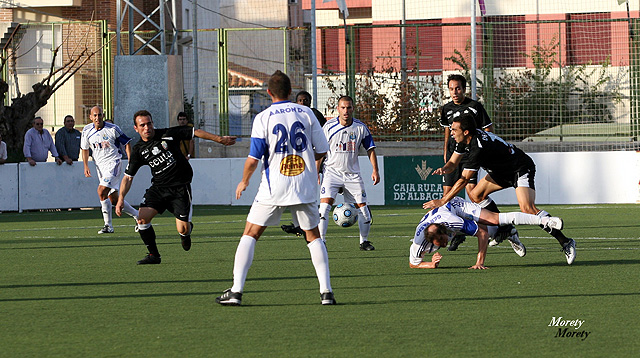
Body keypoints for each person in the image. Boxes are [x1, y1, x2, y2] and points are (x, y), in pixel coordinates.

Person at [215, 70, 334, 306]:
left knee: (251, 233)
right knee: (313, 236)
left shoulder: (263, 117)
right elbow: (322, 149)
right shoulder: (307, 112)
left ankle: (236, 291)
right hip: (304, 184)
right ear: (291, 92)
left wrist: (244, 180)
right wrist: (309, 163)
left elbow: (253, 158)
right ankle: (326, 292)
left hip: (274, 186)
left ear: (268, 92)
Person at [424, 114, 576, 265]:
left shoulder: (477, 147)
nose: (451, 132)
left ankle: (566, 242)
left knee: (527, 208)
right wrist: (445, 168)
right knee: (476, 195)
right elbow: (452, 162)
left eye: (454, 129)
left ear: (465, 132)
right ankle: (506, 229)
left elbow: (463, 179)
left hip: (519, 168)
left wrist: (443, 200)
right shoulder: (464, 140)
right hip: (500, 172)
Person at [115, 110, 236, 265]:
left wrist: (219, 139)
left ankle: (186, 233)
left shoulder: (167, 134)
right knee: (142, 218)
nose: (147, 127)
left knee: (183, 230)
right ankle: (154, 255)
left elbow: (194, 132)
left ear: (153, 123)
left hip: (180, 188)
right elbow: (128, 177)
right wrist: (121, 199)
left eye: (149, 123)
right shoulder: (138, 150)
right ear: (136, 128)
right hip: (159, 188)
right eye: (142, 125)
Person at [410, 197, 564, 269]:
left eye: (443, 240)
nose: (444, 245)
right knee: (490, 232)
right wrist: (431, 264)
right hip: (445, 218)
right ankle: (508, 232)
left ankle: (545, 221)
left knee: (494, 219)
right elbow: (413, 264)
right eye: (440, 244)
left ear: (446, 230)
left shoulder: (453, 222)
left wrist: (479, 262)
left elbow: (482, 233)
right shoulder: (419, 241)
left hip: (456, 207)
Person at [440, 74, 500, 251]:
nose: (454, 92)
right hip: (453, 155)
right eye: (451, 88)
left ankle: (498, 225)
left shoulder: (475, 107)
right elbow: (446, 133)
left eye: (457, 88)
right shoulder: (446, 109)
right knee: (448, 196)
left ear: (464, 89)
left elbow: (488, 129)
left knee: (472, 192)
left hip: (470, 155)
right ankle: (456, 233)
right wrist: (445, 153)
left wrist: (486, 151)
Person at [316, 95, 380, 251]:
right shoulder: (328, 127)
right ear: (337, 109)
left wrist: (375, 170)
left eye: (349, 107)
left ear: (353, 108)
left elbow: (370, 149)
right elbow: (320, 151)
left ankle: (364, 241)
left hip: (352, 175)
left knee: (363, 209)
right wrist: (316, 171)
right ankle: (322, 242)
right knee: (324, 208)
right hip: (331, 173)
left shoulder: (360, 128)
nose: (346, 111)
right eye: (343, 107)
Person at [81, 106, 139, 234]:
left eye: (100, 115)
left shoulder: (113, 129)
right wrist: (85, 165)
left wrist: (130, 160)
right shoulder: (86, 130)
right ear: (90, 117)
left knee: (101, 191)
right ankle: (138, 216)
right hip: (99, 167)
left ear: (103, 115)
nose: (97, 118)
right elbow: (85, 149)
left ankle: (108, 225)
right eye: (95, 115)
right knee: (113, 199)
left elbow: (127, 142)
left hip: (113, 163)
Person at [280, 90, 328, 238]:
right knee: (296, 193)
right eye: (300, 100)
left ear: (310, 101)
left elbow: (324, 135)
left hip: (315, 159)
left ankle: (308, 228)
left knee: (309, 196)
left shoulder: (314, 115)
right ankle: (300, 226)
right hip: (299, 161)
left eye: (305, 100)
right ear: (296, 102)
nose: (302, 103)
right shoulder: (293, 116)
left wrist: (318, 163)